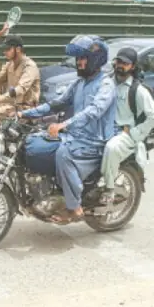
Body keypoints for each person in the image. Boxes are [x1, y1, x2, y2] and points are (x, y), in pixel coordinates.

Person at [18, 35, 117, 224]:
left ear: (95, 59)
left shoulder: (106, 84)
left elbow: (94, 111)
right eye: (78, 58)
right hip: (76, 136)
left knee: (64, 153)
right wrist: (26, 114)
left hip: (94, 141)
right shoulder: (79, 83)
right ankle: (46, 191)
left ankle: (75, 207)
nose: (79, 62)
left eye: (83, 58)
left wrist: (65, 124)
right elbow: (57, 103)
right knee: (33, 141)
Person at [100, 47, 154, 205]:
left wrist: (134, 132)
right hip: (104, 130)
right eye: (118, 61)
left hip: (125, 134)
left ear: (132, 66)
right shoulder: (107, 83)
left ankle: (109, 189)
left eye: (125, 63)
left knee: (111, 148)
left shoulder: (138, 91)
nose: (120, 66)